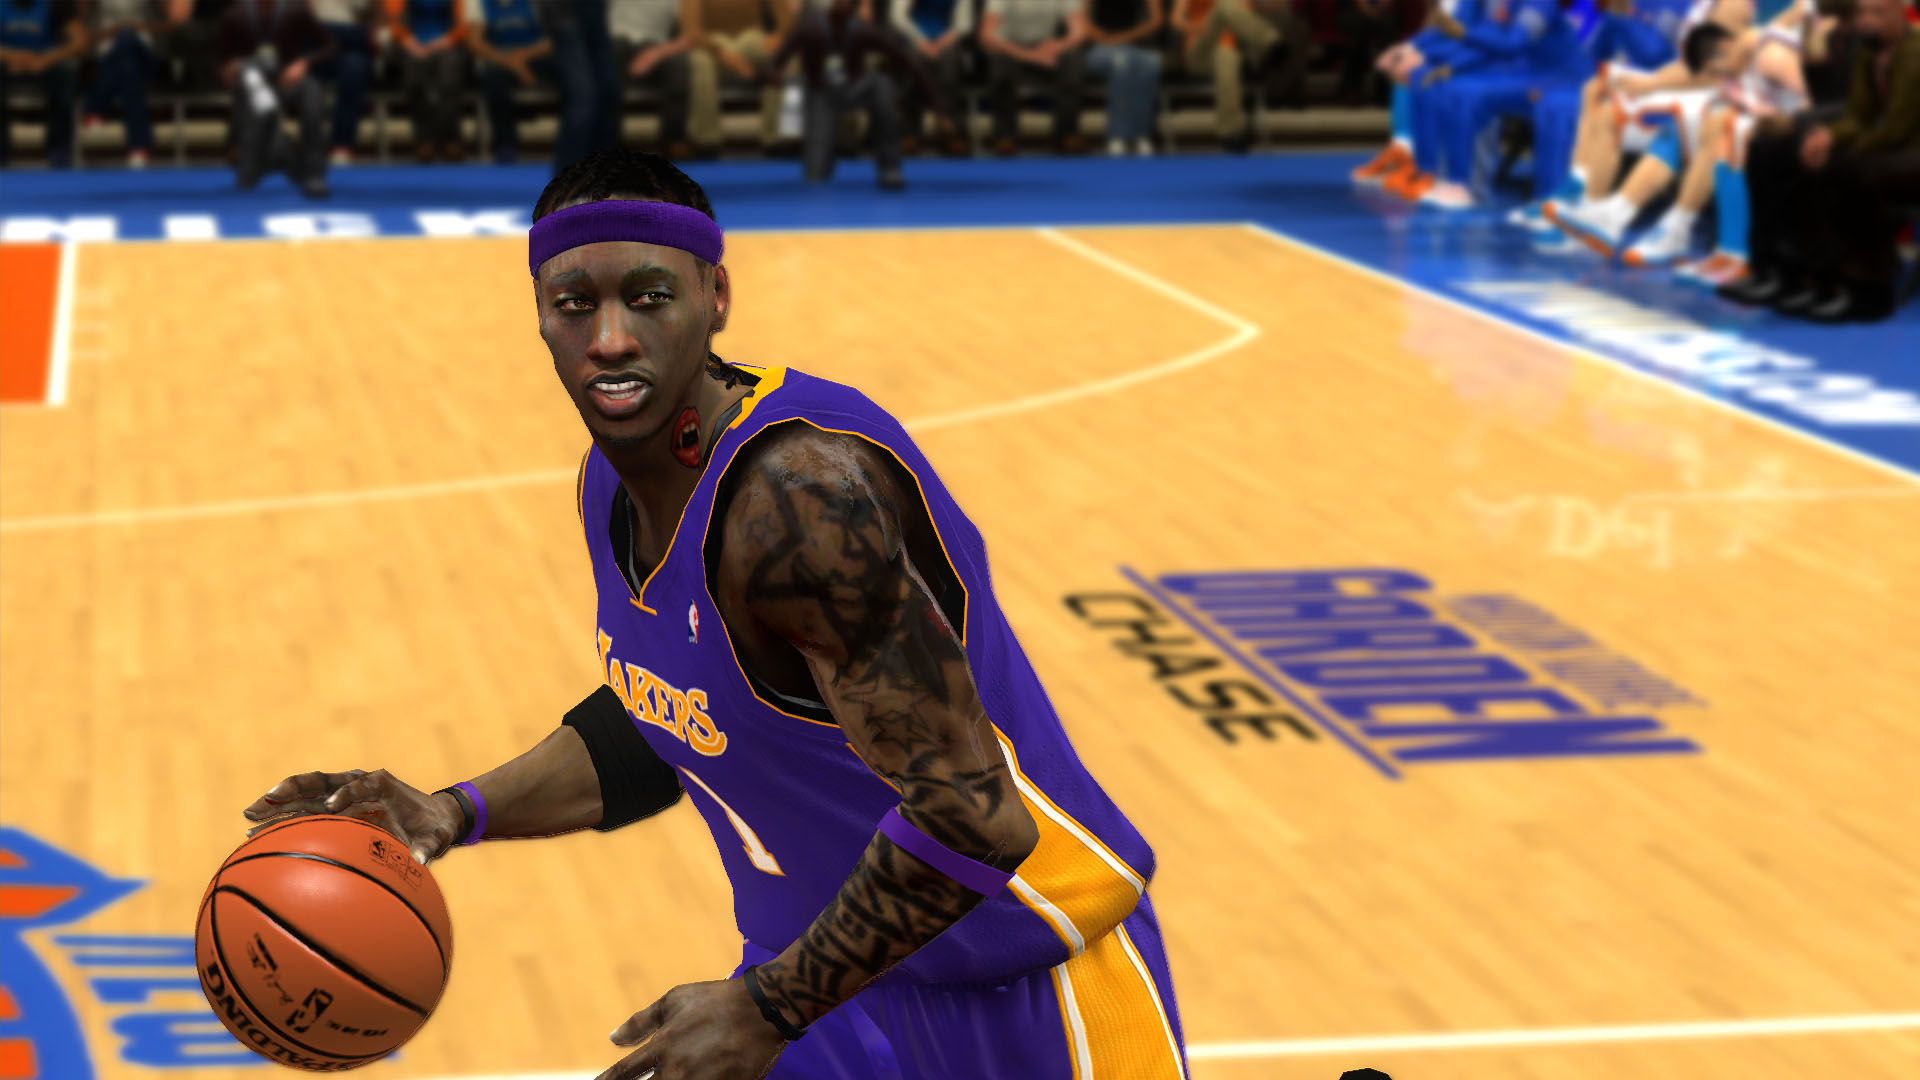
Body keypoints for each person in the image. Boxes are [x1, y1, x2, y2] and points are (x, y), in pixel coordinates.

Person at [240, 147, 1187, 1080]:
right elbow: (679, 711)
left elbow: (974, 816)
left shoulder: (799, 499)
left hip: (1026, 994)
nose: (611, 338)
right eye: (575, 304)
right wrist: (455, 811)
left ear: (716, 296)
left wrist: (770, 1008)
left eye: (649, 297)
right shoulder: (612, 482)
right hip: (826, 992)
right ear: (540, 317)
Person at [1721, 0, 1920, 321]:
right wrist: (1827, 136)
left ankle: (1868, 291)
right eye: (1862, 13)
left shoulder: (1914, 52)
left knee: (1846, 168)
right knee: (1768, 148)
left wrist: (1839, 146)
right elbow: (1857, 115)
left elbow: (1897, 128)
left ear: (1902, 10)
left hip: (1910, 147)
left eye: (1878, 13)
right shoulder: (1870, 50)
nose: (1867, 21)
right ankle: (1785, 271)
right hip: (1894, 145)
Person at [764, 0, 953, 186]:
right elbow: (775, 63)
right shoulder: (810, 28)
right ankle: (819, 155)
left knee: (882, 85)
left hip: (854, 88)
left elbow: (908, 61)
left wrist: (937, 104)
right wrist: (779, 80)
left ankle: (889, 166)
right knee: (816, 173)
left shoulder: (862, 30)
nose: (842, 5)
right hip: (821, 93)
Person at [218, 0, 336, 196]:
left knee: (312, 91)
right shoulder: (235, 15)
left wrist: (304, 62)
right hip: (253, 84)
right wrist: (230, 70)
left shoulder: (295, 10)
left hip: (288, 79)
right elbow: (221, 62)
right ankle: (257, 159)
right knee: (249, 174)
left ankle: (314, 172)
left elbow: (330, 46)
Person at [980, 0, 1091, 155]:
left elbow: (1079, 32)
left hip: (1045, 48)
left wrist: (1058, 46)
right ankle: (1005, 135)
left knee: (1073, 61)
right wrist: (1029, 55)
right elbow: (986, 36)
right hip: (1009, 47)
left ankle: (1066, 133)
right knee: (999, 65)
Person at [609, 0, 703, 159]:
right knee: (614, 52)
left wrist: (657, 54)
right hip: (614, 43)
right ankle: (607, 140)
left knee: (678, 63)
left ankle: (673, 140)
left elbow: (690, 36)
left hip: (656, 47)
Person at [696, 0, 792, 153]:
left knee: (783, 57)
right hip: (711, 42)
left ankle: (777, 137)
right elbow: (691, 31)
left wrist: (780, 35)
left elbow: (785, 17)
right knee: (700, 62)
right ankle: (706, 139)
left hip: (751, 38)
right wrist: (722, 53)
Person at [0, 0, 87, 168]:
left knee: (65, 77)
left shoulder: (57, 3)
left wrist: (46, 59)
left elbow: (81, 41)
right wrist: (13, 57)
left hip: (45, 61)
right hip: (6, 63)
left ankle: (60, 152)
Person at [538, 0, 620, 172]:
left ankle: (602, 173)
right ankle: (568, 177)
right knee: (583, 96)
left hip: (594, 9)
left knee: (609, 92)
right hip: (562, 10)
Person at [82, 0, 164, 167]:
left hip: (144, 54)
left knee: (127, 38)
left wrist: (136, 27)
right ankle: (139, 148)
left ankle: (95, 108)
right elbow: (85, 33)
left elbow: (168, 25)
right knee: (129, 70)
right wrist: (113, 31)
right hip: (109, 55)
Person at [469, 0, 552, 163]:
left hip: (534, 56)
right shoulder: (481, 4)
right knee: (493, 80)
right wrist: (509, 61)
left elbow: (553, 40)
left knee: (572, 73)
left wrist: (523, 57)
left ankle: (574, 142)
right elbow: (475, 42)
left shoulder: (536, 4)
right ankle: (505, 144)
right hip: (499, 59)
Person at [386, 0, 469, 162]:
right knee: (414, 75)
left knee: (449, 76)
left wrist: (442, 43)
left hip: (448, 43)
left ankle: (450, 139)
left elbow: (463, 25)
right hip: (411, 44)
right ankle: (424, 140)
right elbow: (395, 22)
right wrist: (410, 43)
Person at [888, 0, 972, 155]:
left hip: (947, 39)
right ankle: (911, 132)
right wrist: (921, 42)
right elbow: (898, 17)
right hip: (913, 38)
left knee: (950, 71)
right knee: (913, 67)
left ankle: (951, 131)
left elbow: (964, 23)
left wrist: (941, 43)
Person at [1081, 0, 1165, 156]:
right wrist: (1104, 38)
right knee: (1122, 62)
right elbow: (1081, 18)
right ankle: (1118, 136)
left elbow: (1156, 20)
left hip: (1134, 45)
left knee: (1152, 62)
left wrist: (1125, 37)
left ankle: (1141, 135)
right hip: (1099, 47)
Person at [312, 0, 374, 165]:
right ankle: (310, 145)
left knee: (355, 68)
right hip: (316, 43)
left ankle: (342, 144)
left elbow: (364, 8)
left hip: (350, 47)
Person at [1338, 0, 1398, 106]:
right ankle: (1353, 87)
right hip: (1352, 11)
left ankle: (1384, 88)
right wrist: (1368, 11)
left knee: (1388, 27)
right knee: (1359, 31)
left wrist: (1380, 8)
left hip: (1383, 12)